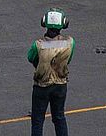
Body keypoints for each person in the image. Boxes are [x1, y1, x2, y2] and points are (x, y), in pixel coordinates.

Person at [28, 8, 73, 136]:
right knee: (59, 117)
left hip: (42, 86)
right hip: (60, 85)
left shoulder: (38, 45)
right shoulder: (70, 43)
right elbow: (68, 60)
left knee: (37, 120)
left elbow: (31, 58)